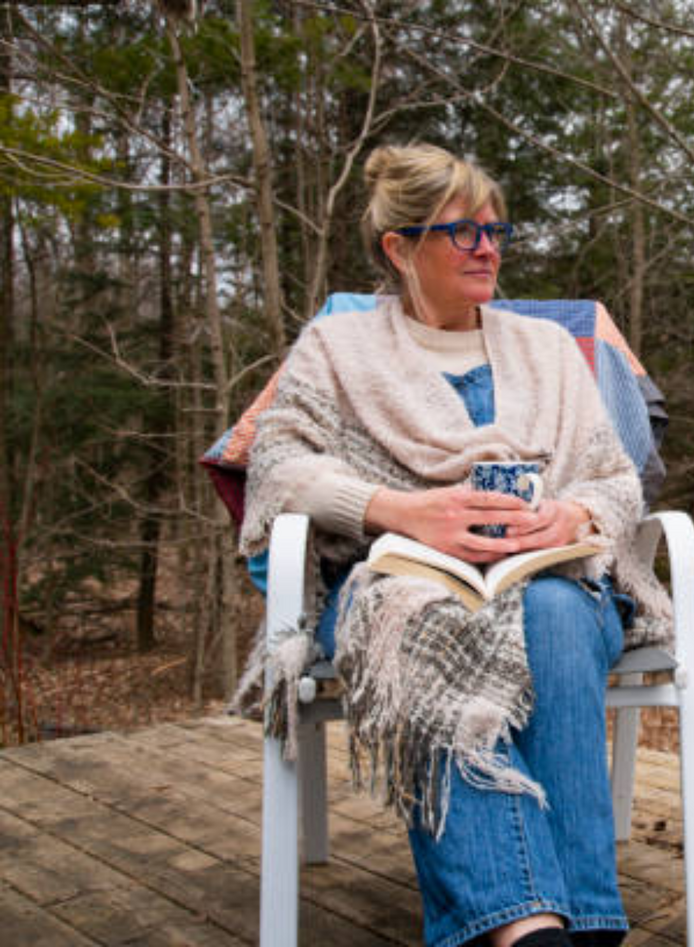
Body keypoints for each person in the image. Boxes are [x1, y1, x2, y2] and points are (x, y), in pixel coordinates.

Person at [238, 142, 671, 947]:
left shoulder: (546, 350)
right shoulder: (337, 350)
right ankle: (528, 926)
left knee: (551, 611)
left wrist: (574, 516)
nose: (487, 249)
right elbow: (276, 464)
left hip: (550, 580)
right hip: (400, 588)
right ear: (399, 248)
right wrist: (397, 509)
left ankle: (582, 917)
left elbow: (615, 477)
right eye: (462, 232)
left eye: (495, 231)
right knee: (423, 621)